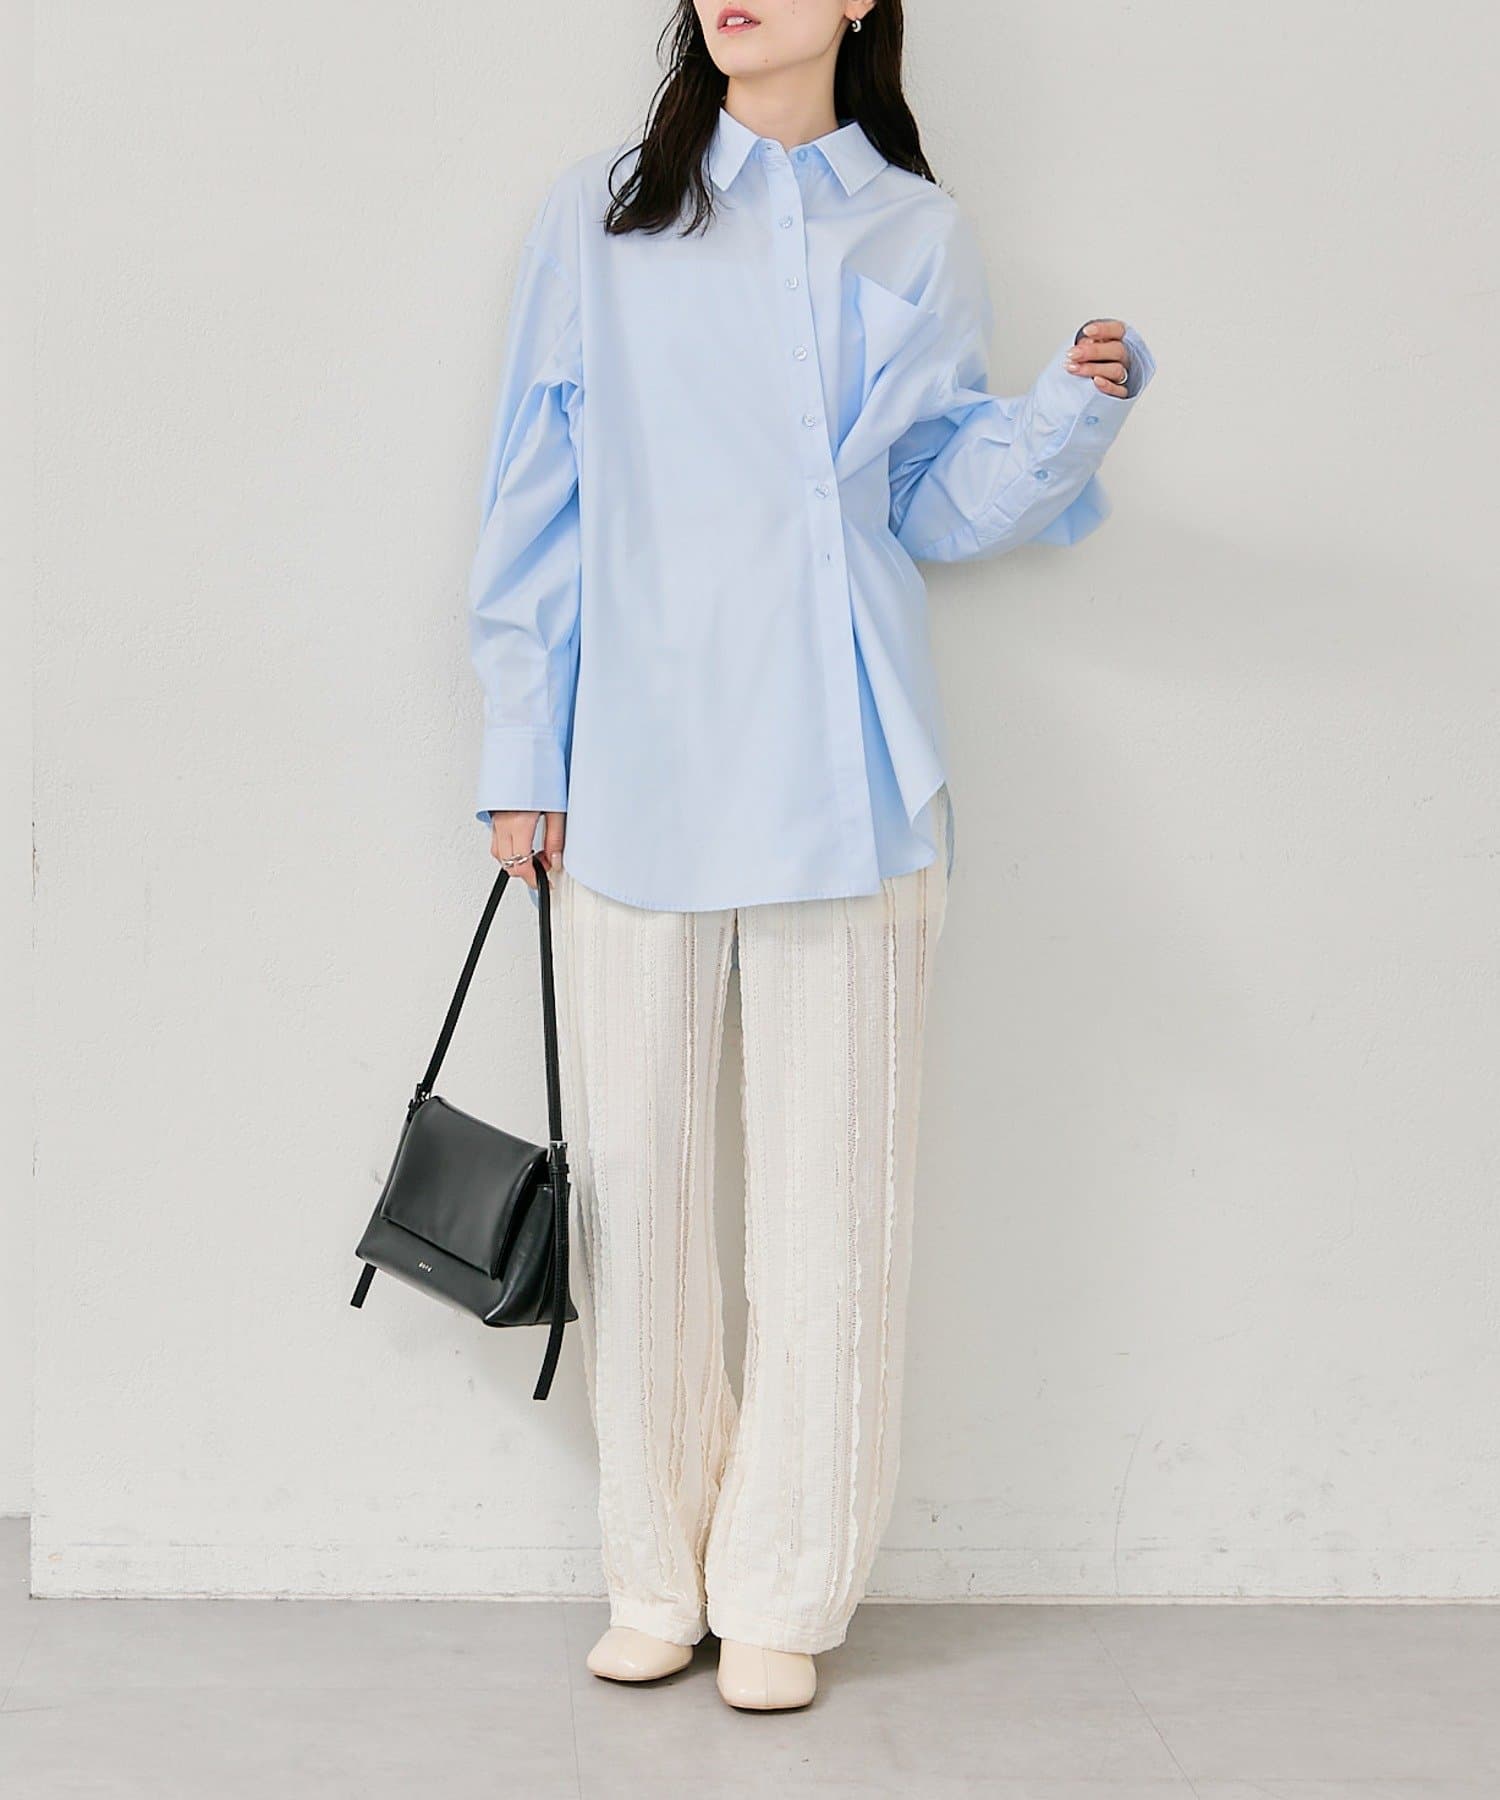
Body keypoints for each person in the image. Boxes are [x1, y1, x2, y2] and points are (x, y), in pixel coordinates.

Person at [466, 0, 1155, 1712]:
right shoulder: (604, 214)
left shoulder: (915, 227)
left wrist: (1066, 416)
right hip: (635, 765)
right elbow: (535, 488)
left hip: (849, 768)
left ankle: (782, 1585)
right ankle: (656, 1570)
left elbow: (926, 498)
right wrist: (521, 751)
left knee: (835, 1203)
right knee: (638, 1201)